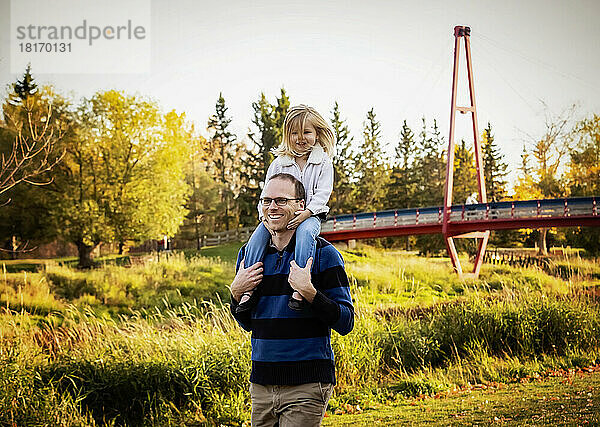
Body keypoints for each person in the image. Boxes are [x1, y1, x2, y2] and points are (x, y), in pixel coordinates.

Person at [229, 173, 354, 427]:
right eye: (267, 200)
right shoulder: (249, 255)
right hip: (261, 384)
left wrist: (309, 292)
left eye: (281, 200)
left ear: (301, 205)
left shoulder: (324, 254)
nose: (272, 207)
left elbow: (346, 321)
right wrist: (235, 293)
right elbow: (249, 323)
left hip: (306, 384)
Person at [236, 104, 335, 313]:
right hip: (277, 215)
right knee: (256, 239)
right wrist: (263, 216)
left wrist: (305, 214)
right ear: (286, 135)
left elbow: (323, 194)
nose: (301, 138)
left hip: (309, 214)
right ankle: (249, 288)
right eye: (294, 133)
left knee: (306, 233)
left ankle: (299, 284)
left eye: (306, 132)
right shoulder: (280, 163)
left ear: (317, 134)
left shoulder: (323, 163)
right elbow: (266, 192)